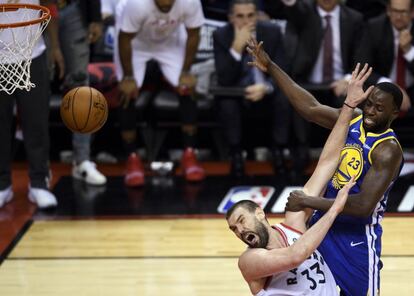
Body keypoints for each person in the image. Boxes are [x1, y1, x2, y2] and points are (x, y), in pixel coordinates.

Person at [247, 38, 404, 295]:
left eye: (379, 108)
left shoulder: (388, 150)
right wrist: (272, 66)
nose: (370, 112)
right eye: (368, 104)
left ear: (394, 113)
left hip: (356, 238)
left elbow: (363, 207)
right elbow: (310, 108)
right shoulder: (353, 118)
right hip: (322, 226)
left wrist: (308, 202)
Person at [226, 62, 373, 295]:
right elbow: (296, 256)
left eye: (241, 220)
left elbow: (326, 163)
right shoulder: (250, 261)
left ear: (260, 212)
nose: (240, 230)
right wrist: (334, 209)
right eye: (234, 229)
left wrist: (349, 105)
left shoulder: (294, 222)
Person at [115, 0, 206, 186]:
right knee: (128, 92)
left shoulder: (190, 2)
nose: (166, 3)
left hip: (170, 41)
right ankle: (132, 158)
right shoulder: (136, 5)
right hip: (136, 44)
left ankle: (190, 154)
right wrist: (128, 76)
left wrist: (186, 72)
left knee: (187, 88)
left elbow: (194, 34)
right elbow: (124, 39)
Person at [213, 0, 290, 177]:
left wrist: (267, 87)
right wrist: (235, 48)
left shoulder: (271, 31)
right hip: (237, 92)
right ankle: (236, 154)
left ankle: (278, 151)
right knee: (226, 102)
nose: (246, 21)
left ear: (256, 16)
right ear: (231, 18)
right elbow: (224, 79)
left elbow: (283, 70)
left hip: (266, 88)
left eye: (250, 15)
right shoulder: (221, 35)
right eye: (240, 16)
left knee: (284, 97)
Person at [0, 0, 64, 209]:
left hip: (32, 54)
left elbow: (49, 6)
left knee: (36, 123)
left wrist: (55, 46)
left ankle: (39, 183)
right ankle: (3, 185)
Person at [57, 0, 107, 186]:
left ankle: (82, 160)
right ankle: (38, 169)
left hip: (73, 9)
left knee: (80, 87)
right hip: (36, 12)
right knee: (34, 89)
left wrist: (95, 17)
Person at [355, 0, 413, 113]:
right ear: (388, 11)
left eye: (403, 12)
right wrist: (391, 86)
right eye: (395, 11)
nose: (398, 16)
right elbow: (362, 67)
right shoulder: (375, 27)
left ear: (412, 12)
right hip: (383, 88)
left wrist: (408, 51)